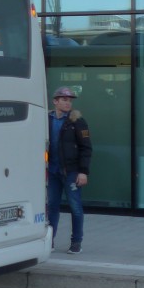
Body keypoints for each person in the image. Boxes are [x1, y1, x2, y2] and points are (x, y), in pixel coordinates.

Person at [46, 86, 92, 254]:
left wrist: (83, 171)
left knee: (75, 207)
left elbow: (86, 148)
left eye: (70, 100)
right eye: (64, 99)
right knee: (52, 206)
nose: (67, 103)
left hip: (71, 171)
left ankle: (76, 242)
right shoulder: (47, 119)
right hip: (52, 171)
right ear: (55, 101)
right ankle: (49, 240)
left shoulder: (77, 121)